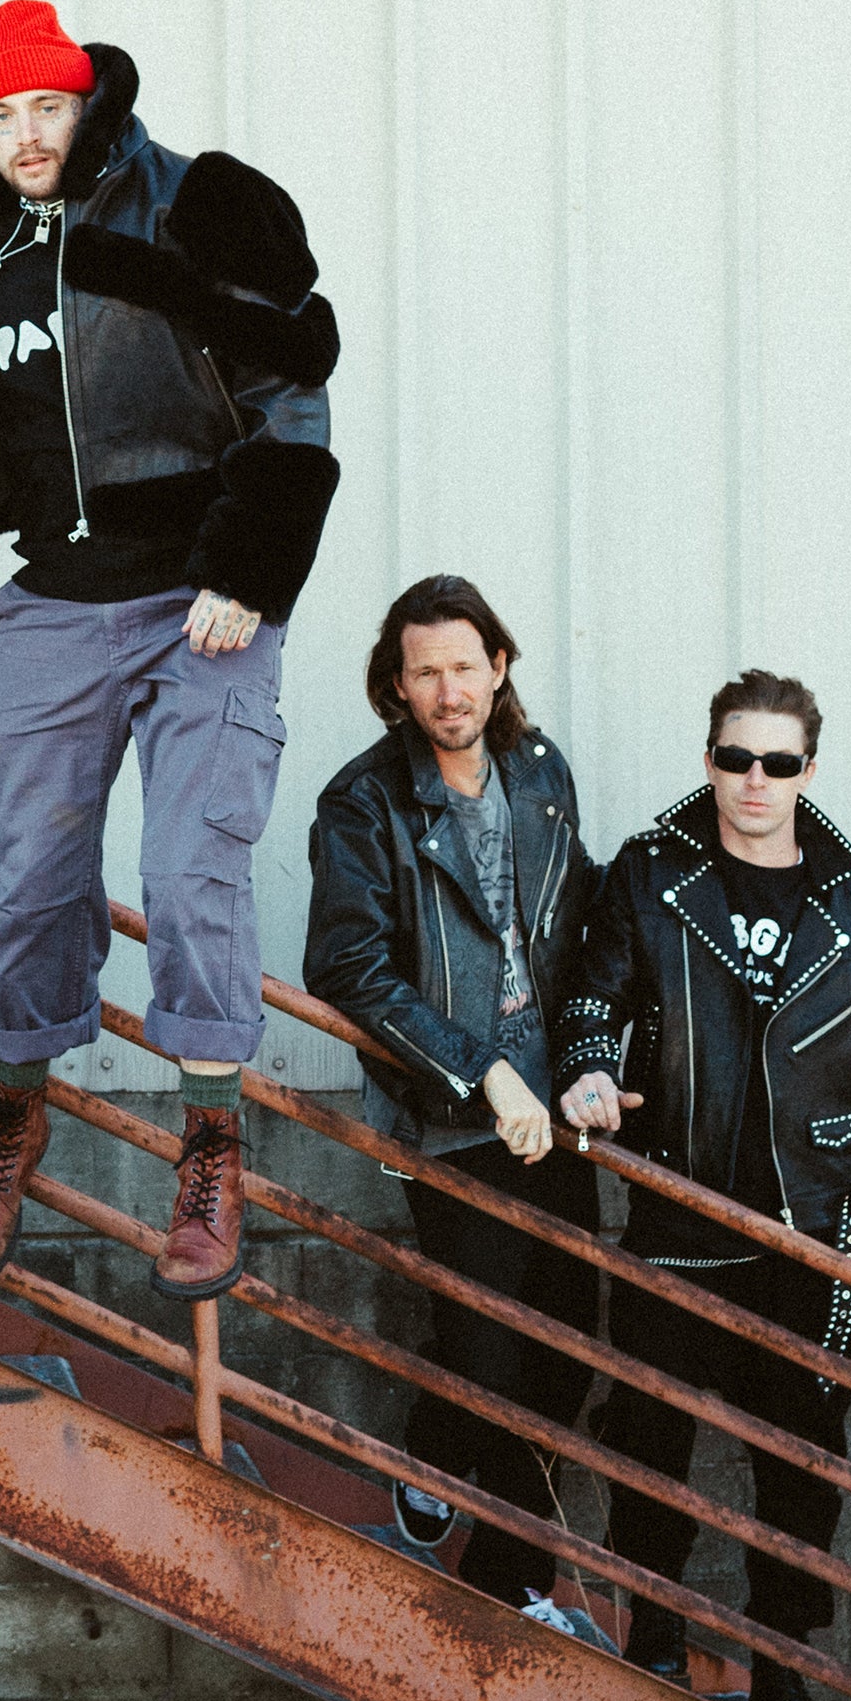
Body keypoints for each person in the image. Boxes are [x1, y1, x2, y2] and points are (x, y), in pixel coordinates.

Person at [0, 0, 342, 1299]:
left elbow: (289, 386)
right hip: (58, 599)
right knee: (25, 871)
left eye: (45, 107)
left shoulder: (196, 203)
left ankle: (210, 1140)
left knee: (189, 868)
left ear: (87, 105)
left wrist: (248, 563)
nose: (23, 134)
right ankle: (14, 1106)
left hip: (198, 599)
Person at [555, 670, 851, 1701]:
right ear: (708, 758)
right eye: (734, 757)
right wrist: (587, 1069)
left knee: (803, 1468)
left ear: (808, 770)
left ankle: (781, 1671)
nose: (753, 780)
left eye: (776, 761)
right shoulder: (650, 876)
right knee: (648, 1438)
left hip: (810, 1239)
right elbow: (590, 999)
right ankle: (653, 1636)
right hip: (677, 1216)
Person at [302, 574, 609, 1646]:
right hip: (448, 1117)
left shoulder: (540, 772)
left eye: (464, 666)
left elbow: (579, 923)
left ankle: (498, 1558)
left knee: (566, 1350)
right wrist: (479, 1072)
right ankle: (449, 1474)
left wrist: (587, 1062)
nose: (448, 690)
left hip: (552, 1114)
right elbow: (347, 966)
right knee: (489, 1355)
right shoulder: (362, 802)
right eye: (424, 671)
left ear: (499, 666)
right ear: (396, 683)